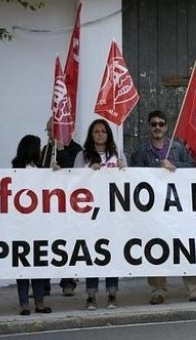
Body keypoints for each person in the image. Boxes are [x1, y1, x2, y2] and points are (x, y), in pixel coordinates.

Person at [130, 110, 196, 304]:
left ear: (167, 127)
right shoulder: (141, 151)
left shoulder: (177, 148)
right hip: (154, 209)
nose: (157, 127)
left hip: (179, 208)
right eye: (154, 124)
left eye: (161, 124)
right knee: (156, 248)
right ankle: (158, 290)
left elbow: (193, 167)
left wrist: (173, 165)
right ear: (148, 127)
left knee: (186, 245)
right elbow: (134, 176)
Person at [75, 119, 124, 309]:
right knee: (92, 254)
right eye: (96, 131)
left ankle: (112, 293)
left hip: (112, 212)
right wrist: (89, 172)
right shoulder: (83, 155)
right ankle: (91, 295)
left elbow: (127, 179)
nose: (100, 134)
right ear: (91, 134)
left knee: (111, 252)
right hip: (90, 213)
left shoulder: (117, 154)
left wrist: (122, 169)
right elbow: (74, 180)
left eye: (103, 131)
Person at [40, 117, 83, 296]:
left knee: (67, 244)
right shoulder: (45, 150)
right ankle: (44, 284)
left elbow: (75, 173)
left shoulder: (77, 149)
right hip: (49, 203)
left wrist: (61, 151)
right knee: (47, 244)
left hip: (70, 205)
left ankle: (68, 282)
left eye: (51, 131)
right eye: (48, 130)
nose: (48, 134)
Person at [12, 135, 54, 315]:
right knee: (22, 265)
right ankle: (24, 304)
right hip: (21, 224)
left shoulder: (42, 168)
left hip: (39, 223)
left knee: (39, 263)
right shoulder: (16, 169)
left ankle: (39, 302)